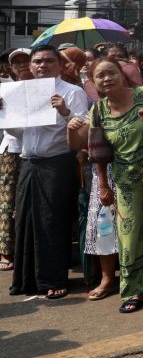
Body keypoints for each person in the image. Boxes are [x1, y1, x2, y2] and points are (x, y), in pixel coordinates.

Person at [67, 57, 143, 313]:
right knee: (128, 239)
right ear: (94, 82)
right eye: (100, 76)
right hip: (125, 182)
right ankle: (132, 292)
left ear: (121, 73)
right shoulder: (98, 109)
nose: (107, 78)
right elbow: (97, 150)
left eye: (111, 73)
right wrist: (105, 186)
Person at [8, 45, 88, 299]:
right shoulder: (21, 93)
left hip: (57, 162)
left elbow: (83, 128)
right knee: (25, 221)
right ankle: (25, 280)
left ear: (60, 65)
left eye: (49, 61)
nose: (43, 66)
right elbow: (19, 133)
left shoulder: (72, 92)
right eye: (38, 61)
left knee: (52, 221)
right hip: (29, 163)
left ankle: (53, 278)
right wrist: (4, 113)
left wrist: (65, 112)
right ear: (30, 66)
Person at [0, 48, 31, 272]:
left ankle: (26, 249)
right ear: (10, 68)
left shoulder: (47, 88)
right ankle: (6, 250)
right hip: (12, 150)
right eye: (16, 63)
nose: (21, 66)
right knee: (7, 201)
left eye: (25, 61)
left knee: (29, 203)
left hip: (37, 151)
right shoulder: (5, 90)